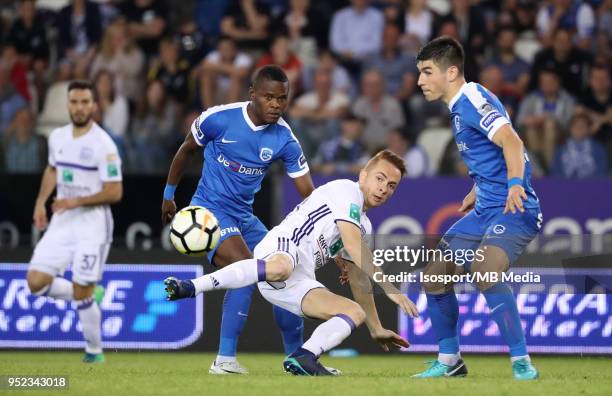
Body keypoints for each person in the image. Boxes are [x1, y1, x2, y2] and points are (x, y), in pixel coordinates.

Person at [164, 150, 418, 375]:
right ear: (363, 175)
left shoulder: (364, 225)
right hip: (282, 247)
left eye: (392, 185)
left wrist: (376, 327)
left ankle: (304, 357)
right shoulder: (347, 190)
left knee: (354, 312)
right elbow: (353, 246)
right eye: (380, 178)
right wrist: (391, 289)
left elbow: (358, 278)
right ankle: (190, 287)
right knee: (281, 267)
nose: (384, 188)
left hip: (299, 278)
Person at [161, 65, 316, 375]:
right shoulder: (218, 118)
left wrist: (327, 233)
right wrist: (168, 195)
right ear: (253, 94)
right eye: (269, 97)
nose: (275, 105)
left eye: (282, 99)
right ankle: (224, 360)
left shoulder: (285, 139)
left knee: (287, 272)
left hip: (244, 217)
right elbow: (185, 150)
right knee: (246, 269)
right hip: (209, 212)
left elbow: (309, 196)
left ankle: (296, 359)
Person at [415, 37, 542, 380]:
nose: (420, 81)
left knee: (485, 269)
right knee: (435, 277)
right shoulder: (460, 107)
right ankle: (449, 360)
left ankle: (521, 362)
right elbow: (494, 152)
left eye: (427, 72)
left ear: (451, 72)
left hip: (515, 207)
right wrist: (478, 187)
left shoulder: (471, 98)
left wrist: (515, 185)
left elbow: (512, 142)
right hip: (487, 207)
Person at [25, 80, 123, 363]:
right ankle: (92, 293)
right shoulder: (57, 137)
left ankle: (94, 352)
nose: (79, 108)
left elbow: (115, 191)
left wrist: (75, 201)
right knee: (35, 281)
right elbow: (53, 169)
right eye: (74, 102)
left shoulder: (104, 145)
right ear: (68, 104)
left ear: (94, 105)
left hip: (93, 224)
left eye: (84, 102)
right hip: (63, 220)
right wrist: (41, 202)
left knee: (82, 291)